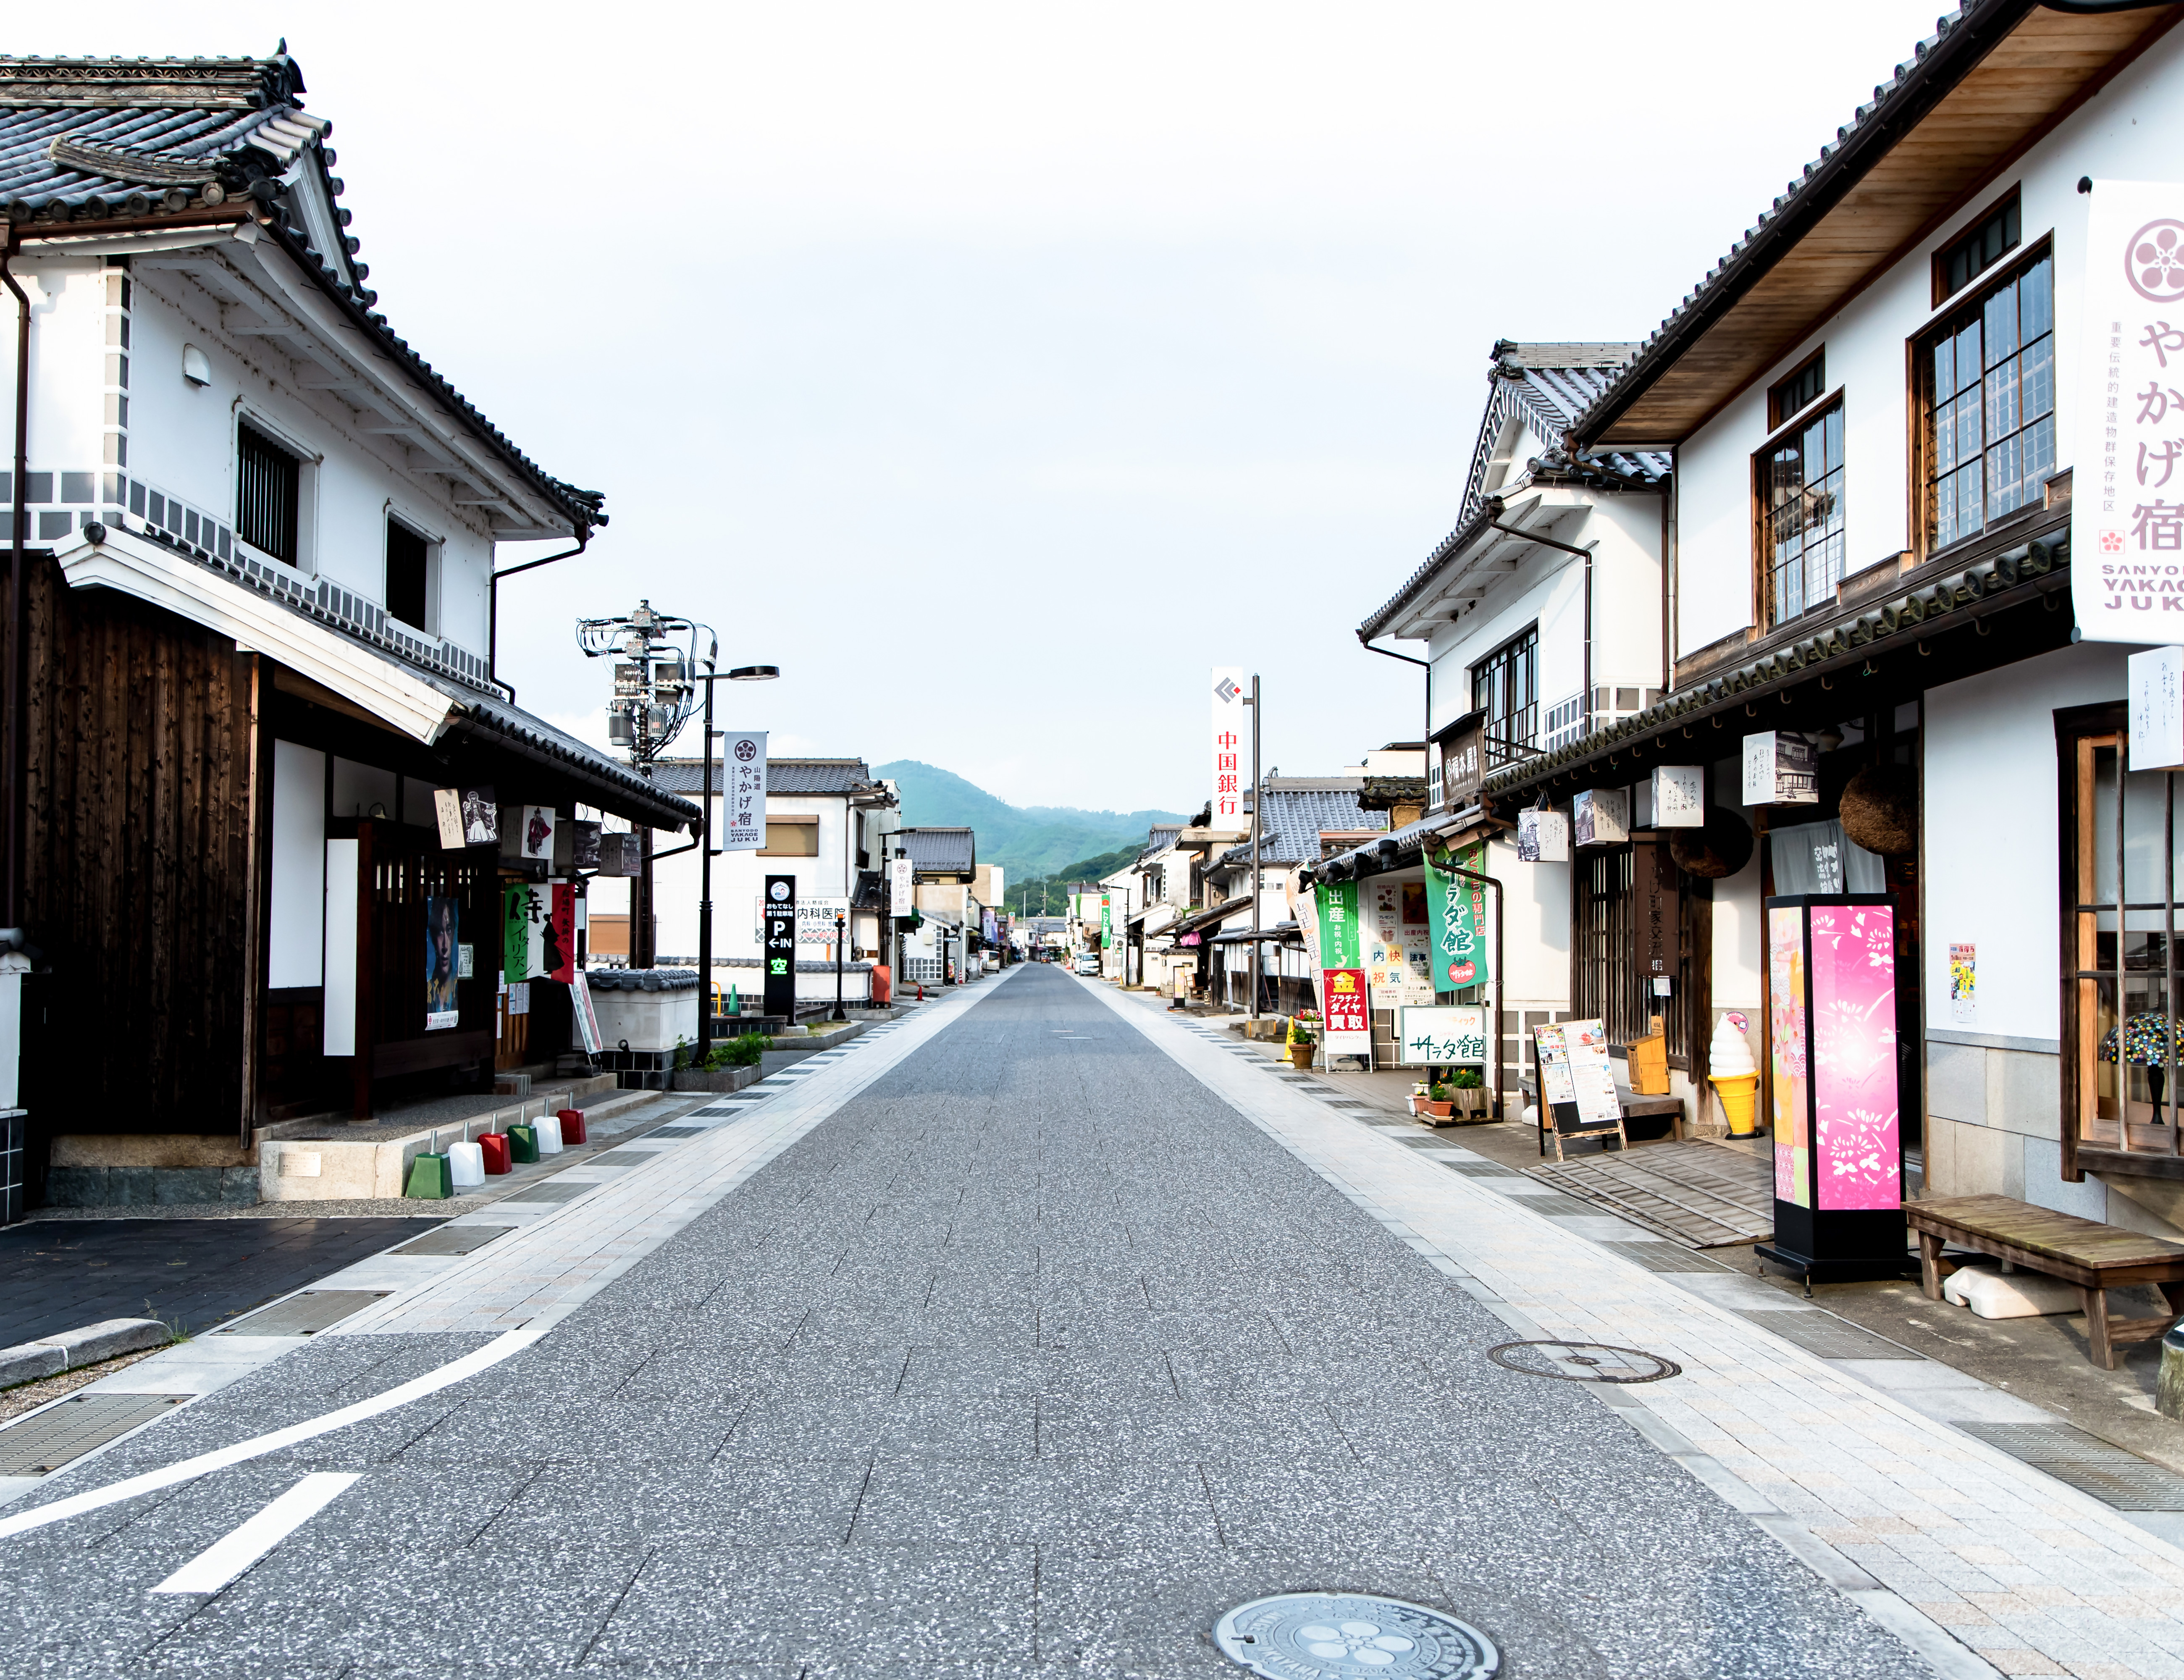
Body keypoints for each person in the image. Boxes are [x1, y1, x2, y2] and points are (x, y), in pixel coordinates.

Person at [426, 897, 459, 1017]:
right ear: (433, 937)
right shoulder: (429, 989)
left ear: (454, 933)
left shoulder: (456, 987)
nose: (445, 946)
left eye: (449, 930)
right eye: (440, 932)